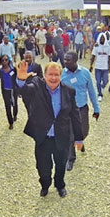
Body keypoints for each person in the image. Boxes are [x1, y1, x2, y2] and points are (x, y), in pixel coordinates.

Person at [16, 61, 84, 197]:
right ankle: (45, 184)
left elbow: (75, 115)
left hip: (62, 137)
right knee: (43, 168)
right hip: (43, 138)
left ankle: (60, 185)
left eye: (56, 75)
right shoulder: (36, 86)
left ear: (61, 75)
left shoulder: (69, 91)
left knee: (60, 166)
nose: (53, 78)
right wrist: (21, 80)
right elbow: (24, 91)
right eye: (50, 75)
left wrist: (79, 138)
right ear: (44, 76)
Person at [61, 51, 99, 171]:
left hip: (82, 108)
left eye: (68, 60)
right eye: (65, 59)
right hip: (68, 109)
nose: (65, 62)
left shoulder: (85, 73)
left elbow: (92, 92)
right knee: (70, 134)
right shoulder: (62, 74)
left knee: (84, 131)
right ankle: (70, 158)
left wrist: (96, 108)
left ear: (75, 60)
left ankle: (80, 141)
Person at [0, 55, 18, 129]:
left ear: (8, 60)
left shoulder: (13, 69)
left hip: (13, 90)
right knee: (7, 106)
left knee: (14, 104)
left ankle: (15, 114)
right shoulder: (0, 71)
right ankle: (10, 122)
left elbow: (18, 79)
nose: (4, 62)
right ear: (1, 62)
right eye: (3, 60)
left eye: (6, 60)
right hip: (5, 91)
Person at [90, 32, 110, 101]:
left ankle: (101, 87)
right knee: (98, 82)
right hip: (98, 67)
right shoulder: (96, 46)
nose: (102, 40)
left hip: (105, 67)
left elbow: (109, 57)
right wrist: (91, 65)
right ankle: (100, 94)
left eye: (103, 38)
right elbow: (93, 57)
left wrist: (109, 66)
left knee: (106, 80)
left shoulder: (108, 47)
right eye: (101, 38)